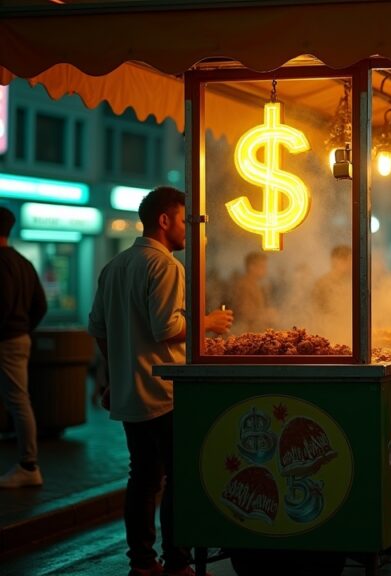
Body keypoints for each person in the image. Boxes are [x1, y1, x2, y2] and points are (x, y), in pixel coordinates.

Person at [88, 187, 233, 576]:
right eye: (185, 220)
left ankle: (142, 562)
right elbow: (166, 328)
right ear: (164, 220)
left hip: (131, 393)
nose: (190, 229)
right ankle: (177, 562)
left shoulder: (115, 266)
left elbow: (98, 328)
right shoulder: (166, 266)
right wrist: (208, 322)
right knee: (178, 477)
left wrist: (118, 374)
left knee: (142, 479)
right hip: (165, 392)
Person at [0, 206, 47, 489]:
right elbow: (41, 304)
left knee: (18, 401)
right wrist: (24, 328)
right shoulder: (23, 262)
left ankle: (29, 465)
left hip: (5, 340)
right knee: (18, 399)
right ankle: (27, 463)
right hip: (19, 338)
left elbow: (3, 304)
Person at [229, 251, 277, 332]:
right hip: (246, 332)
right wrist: (267, 314)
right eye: (262, 267)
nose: (265, 270)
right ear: (251, 267)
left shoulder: (255, 284)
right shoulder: (244, 285)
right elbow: (245, 313)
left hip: (256, 330)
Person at [312, 245, 352, 316]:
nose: (350, 265)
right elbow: (317, 312)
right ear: (335, 261)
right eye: (347, 261)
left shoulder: (349, 281)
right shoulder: (322, 284)